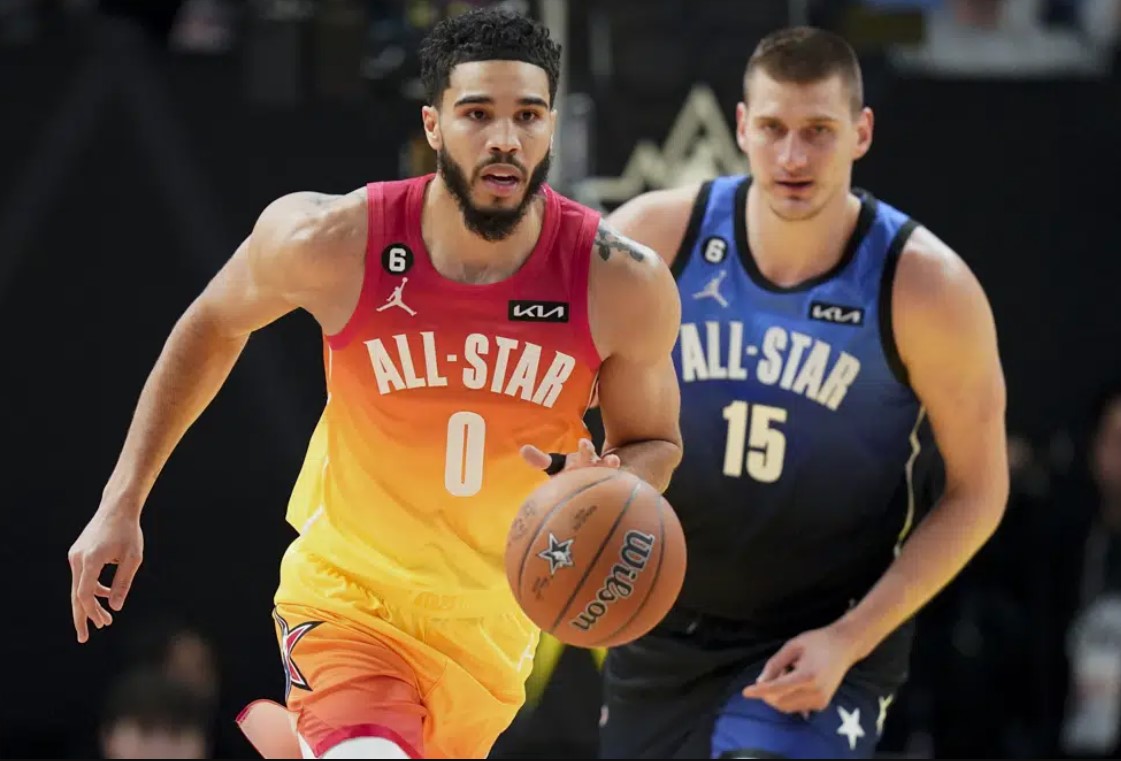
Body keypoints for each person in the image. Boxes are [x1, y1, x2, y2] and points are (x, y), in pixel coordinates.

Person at [67, 7, 683, 759]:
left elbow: (654, 441)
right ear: (433, 124)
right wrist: (123, 497)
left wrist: (613, 482)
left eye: (527, 115)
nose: (504, 138)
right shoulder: (335, 239)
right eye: (476, 113)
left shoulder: (619, 281)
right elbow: (213, 323)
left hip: (490, 631)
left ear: (551, 126)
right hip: (348, 600)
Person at [597, 26, 1009, 759]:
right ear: (740, 127)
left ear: (861, 132)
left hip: (823, 630)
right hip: (659, 616)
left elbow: (978, 491)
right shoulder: (650, 240)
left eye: (818, 131)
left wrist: (851, 637)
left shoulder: (924, 287)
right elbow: (554, 396)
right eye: (773, 129)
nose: (792, 157)